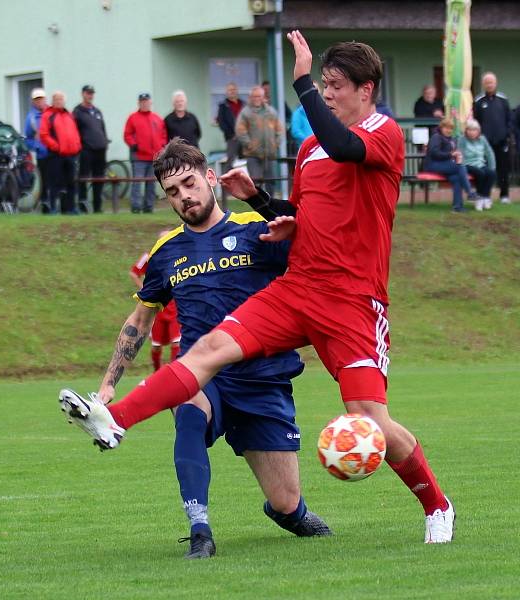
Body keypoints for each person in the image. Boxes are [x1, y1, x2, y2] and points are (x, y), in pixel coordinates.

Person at [60, 32, 455, 545]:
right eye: (324, 85)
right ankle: (113, 420)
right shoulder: (311, 149)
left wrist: (301, 82)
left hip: (353, 302)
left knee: (370, 420)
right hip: (298, 287)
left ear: (367, 88)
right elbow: (305, 218)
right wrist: (265, 203)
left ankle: (437, 504)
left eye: (336, 86)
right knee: (209, 349)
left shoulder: (383, 133)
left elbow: (345, 145)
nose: (328, 94)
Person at [66, 138, 330, 558]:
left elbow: (312, 240)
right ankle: (200, 531)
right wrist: (107, 386)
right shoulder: (167, 250)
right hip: (200, 373)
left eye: (189, 183)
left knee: (285, 504)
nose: (184, 196)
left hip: (263, 378)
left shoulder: (256, 229)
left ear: (210, 178)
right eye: (173, 191)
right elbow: (140, 321)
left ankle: (294, 515)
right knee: (188, 406)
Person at [129, 231, 181, 373]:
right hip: (157, 307)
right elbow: (134, 273)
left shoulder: (179, 255)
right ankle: (157, 373)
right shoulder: (149, 256)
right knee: (156, 345)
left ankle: (173, 374)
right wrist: (145, 289)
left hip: (174, 306)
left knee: (176, 341)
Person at [123, 93, 167, 213]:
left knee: (151, 183)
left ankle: (149, 207)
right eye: (142, 101)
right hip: (139, 157)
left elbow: (163, 135)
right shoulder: (132, 118)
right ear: (139, 103)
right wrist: (134, 145)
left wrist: (162, 145)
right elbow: (127, 134)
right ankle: (136, 207)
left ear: (150, 102)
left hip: (154, 157)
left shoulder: (157, 118)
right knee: (137, 183)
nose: (144, 103)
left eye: (146, 101)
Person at [39, 91, 82, 214]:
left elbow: (75, 133)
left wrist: (77, 145)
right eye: (57, 99)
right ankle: (53, 207)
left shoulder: (69, 115)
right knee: (55, 183)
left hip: (71, 154)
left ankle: (71, 208)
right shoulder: (48, 115)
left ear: (64, 101)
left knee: (71, 183)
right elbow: (44, 134)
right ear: (52, 101)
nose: (59, 102)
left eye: (61, 99)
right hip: (55, 155)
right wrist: (55, 146)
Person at [235, 86, 284, 193]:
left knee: (271, 182)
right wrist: (249, 145)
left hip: (269, 154)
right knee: (256, 183)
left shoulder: (271, 112)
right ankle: (258, 207)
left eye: (259, 96)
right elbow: (240, 131)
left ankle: (272, 206)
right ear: (250, 97)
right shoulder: (245, 113)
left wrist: (276, 144)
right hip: (253, 155)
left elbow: (279, 129)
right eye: (255, 96)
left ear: (263, 97)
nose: (257, 98)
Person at [423, 118, 477, 213]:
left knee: (456, 178)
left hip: (444, 165)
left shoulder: (451, 139)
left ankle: (457, 207)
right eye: (446, 128)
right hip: (433, 165)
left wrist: (457, 155)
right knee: (460, 167)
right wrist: (451, 154)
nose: (449, 130)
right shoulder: (436, 137)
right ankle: (469, 192)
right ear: (441, 128)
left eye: (451, 128)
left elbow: (450, 153)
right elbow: (434, 153)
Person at [473, 72, 512, 204]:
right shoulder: (478, 101)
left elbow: (509, 119)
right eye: (487, 82)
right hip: (484, 143)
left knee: (503, 169)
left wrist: (507, 134)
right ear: (483, 84)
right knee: (484, 169)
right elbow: (475, 122)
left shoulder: (503, 99)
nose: (490, 85)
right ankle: (484, 195)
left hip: (501, 141)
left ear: (496, 83)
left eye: (492, 82)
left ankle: (504, 195)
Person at [73, 84, 109, 213]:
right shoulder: (77, 112)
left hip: (100, 150)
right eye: (88, 93)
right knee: (84, 178)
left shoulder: (97, 111)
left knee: (99, 178)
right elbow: (74, 132)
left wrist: (105, 142)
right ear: (83, 94)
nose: (90, 96)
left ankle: (97, 207)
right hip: (86, 150)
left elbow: (102, 129)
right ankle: (83, 205)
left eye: (92, 93)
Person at [458, 119, 496, 211]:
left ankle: (485, 197)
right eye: (469, 130)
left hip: (480, 163)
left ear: (478, 131)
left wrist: (492, 167)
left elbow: (489, 153)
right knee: (480, 173)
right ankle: (478, 198)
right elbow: (460, 154)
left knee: (491, 173)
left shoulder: (482, 139)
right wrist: (462, 167)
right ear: (466, 130)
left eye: (474, 130)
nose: (471, 132)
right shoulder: (462, 139)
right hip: (467, 164)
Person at [24, 88, 51, 212]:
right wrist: (38, 147)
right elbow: (28, 139)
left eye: (41, 99)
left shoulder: (51, 112)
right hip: (43, 155)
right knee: (45, 183)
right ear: (33, 102)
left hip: (56, 153)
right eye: (37, 99)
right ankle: (45, 207)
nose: (40, 102)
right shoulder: (31, 118)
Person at [216, 82, 244, 163]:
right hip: (232, 138)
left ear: (237, 91)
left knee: (245, 161)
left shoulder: (243, 104)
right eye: (230, 90)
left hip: (244, 137)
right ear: (226, 92)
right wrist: (232, 135)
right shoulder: (223, 106)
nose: (232, 91)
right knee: (231, 161)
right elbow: (221, 123)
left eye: (234, 89)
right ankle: (228, 176)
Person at [290, 81, 320, 146]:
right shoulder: (298, 113)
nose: (315, 94)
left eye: (317, 91)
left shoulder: (322, 111)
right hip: (306, 149)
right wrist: (311, 142)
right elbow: (295, 132)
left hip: (320, 149)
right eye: (312, 90)